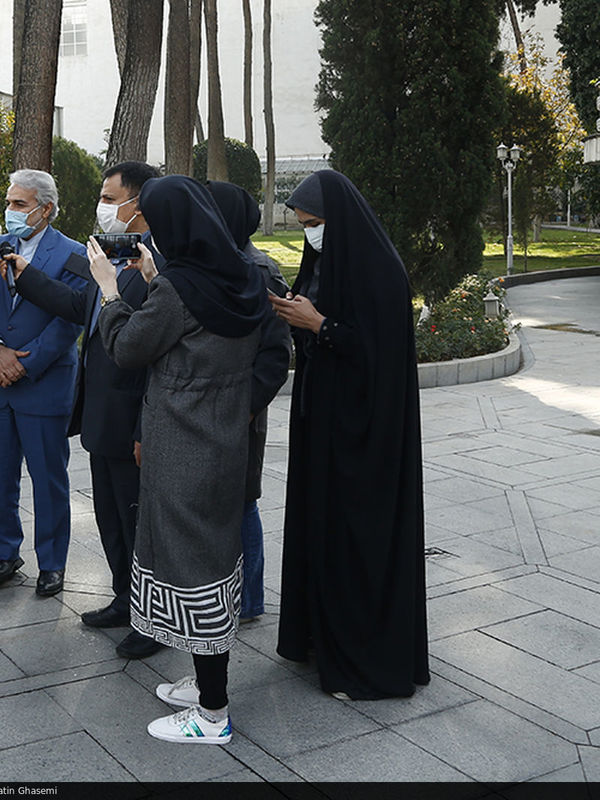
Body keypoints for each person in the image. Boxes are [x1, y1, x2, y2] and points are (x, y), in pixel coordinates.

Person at [90, 174, 269, 744]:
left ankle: (211, 714)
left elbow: (126, 348)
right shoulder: (239, 276)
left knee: (189, 564)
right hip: (221, 440)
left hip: (181, 441)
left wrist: (110, 291)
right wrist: (156, 277)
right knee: (214, 559)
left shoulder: (180, 289)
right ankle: (204, 683)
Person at [268, 169, 429, 699]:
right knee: (322, 534)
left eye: (315, 224)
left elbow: (381, 358)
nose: (309, 234)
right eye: (303, 225)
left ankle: (365, 663)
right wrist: (297, 319)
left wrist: (321, 327)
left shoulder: (380, 271)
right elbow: (322, 331)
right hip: (324, 428)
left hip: (366, 438)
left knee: (357, 542)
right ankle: (322, 638)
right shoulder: (324, 264)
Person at [1, 161, 165, 658]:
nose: (103, 206)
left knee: (139, 522)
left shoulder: (157, 264)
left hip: (133, 415)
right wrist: (28, 278)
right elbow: (81, 310)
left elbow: (150, 347)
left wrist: (142, 427)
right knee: (112, 516)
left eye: (111, 197)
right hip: (100, 414)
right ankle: (123, 597)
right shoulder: (113, 255)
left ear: (138, 203)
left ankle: (152, 619)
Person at [0, 169, 88, 597]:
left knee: (48, 478)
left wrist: (22, 365)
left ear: (45, 209)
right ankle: (4, 552)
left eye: (19, 204)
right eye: (9, 202)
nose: (10, 211)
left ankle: (52, 563)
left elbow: (69, 320)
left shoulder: (72, 254)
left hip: (44, 383)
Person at [206, 181, 292, 623]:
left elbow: (276, 355)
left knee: (241, 504)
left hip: (241, 413)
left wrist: (243, 409)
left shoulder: (257, 271)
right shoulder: (214, 264)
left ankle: (249, 601)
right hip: (209, 413)